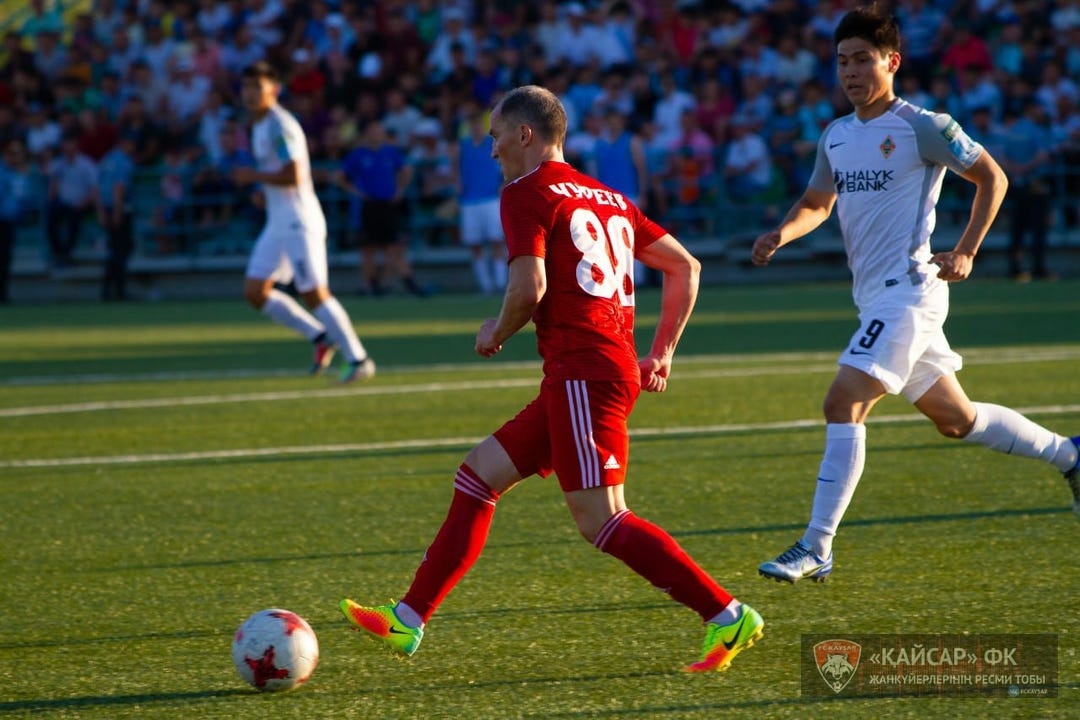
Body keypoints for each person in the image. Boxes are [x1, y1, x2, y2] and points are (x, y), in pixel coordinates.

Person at [340, 85, 764, 673]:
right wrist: (661, 352)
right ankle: (407, 619)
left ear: (525, 134)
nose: (492, 151)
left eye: (495, 136)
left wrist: (495, 331)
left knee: (603, 520)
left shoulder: (525, 192)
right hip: (591, 372)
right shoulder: (608, 196)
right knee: (478, 475)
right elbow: (685, 266)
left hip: (584, 375)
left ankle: (727, 614)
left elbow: (529, 288)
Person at [751, 6, 1080, 585]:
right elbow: (817, 203)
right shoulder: (836, 135)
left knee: (843, 402)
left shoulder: (925, 126)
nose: (851, 72)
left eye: (862, 60)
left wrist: (967, 250)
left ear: (892, 62)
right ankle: (1070, 456)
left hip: (909, 294)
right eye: (842, 62)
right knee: (957, 419)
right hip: (874, 299)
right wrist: (782, 232)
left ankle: (816, 545)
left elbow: (993, 178)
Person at [232, 61, 374, 384]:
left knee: (314, 293)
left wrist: (254, 177)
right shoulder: (258, 125)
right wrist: (264, 192)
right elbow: (278, 175)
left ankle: (359, 359)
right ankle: (319, 336)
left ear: (274, 90)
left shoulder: (279, 125)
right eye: (247, 87)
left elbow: (294, 174)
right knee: (255, 291)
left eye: (258, 87)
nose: (251, 93)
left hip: (298, 221)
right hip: (278, 222)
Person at [336, 119, 428, 298]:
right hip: (369, 206)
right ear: (366, 134)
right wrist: (357, 192)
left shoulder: (391, 152)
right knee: (368, 248)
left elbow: (406, 170)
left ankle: (390, 283)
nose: (376, 134)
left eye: (379, 131)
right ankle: (370, 285)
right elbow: (339, 177)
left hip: (388, 205)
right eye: (373, 131)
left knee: (392, 246)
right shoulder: (358, 154)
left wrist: (400, 190)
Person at [452, 110, 506, 296]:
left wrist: (503, 184)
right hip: (469, 200)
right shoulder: (462, 147)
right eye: (472, 125)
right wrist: (457, 183)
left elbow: (506, 165)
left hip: (490, 198)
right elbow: (455, 168)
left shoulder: (493, 145)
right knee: (474, 244)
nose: (475, 128)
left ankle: (500, 283)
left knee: (496, 241)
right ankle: (486, 285)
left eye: (478, 124)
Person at [97, 133, 136, 301]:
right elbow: (118, 187)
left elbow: (98, 187)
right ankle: (119, 291)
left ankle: (107, 289)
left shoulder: (106, 159)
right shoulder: (123, 161)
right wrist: (117, 212)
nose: (133, 147)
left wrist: (101, 211)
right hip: (119, 209)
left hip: (107, 207)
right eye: (132, 143)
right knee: (122, 250)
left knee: (113, 250)